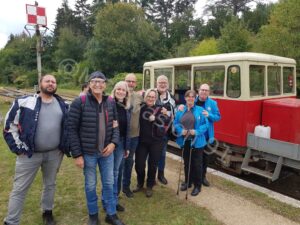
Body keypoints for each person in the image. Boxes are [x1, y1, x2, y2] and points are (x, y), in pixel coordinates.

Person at [3, 74, 69, 225]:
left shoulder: (63, 104)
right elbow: (9, 126)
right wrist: (18, 148)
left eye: (53, 81)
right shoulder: (24, 102)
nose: (51, 83)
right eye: (47, 81)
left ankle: (47, 212)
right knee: (20, 188)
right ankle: (11, 221)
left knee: (50, 184)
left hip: (54, 153)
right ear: (40, 84)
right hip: (28, 154)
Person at [68, 71, 125, 225]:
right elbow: (71, 129)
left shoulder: (110, 102)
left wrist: (113, 143)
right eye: (94, 81)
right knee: (90, 185)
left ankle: (111, 214)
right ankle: (93, 215)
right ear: (89, 84)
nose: (98, 84)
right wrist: (77, 155)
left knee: (109, 183)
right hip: (88, 154)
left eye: (101, 81)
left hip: (107, 153)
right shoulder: (80, 102)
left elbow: (116, 126)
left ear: (105, 85)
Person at [134, 89, 170, 198]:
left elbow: (167, 123)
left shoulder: (160, 109)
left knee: (153, 165)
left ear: (156, 98)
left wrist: (164, 115)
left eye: (153, 97)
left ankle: (149, 185)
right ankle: (140, 183)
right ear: (145, 97)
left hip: (156, 142)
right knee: (139, 164)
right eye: (149, 96)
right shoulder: (140, 108)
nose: (151, 98)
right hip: (142, 142)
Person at [173, 90, 208, 196]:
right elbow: (176, 123)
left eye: (193, 97)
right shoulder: (180, 110)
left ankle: (197, 186)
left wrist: (196, 131)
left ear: (195, 98)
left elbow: (205, 125)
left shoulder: (200, 110)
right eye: (188, 96)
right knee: (187, 162)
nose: (190, 98)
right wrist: (180, 131)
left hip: (197, 142)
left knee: (197, 164)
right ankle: (188, 182)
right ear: (185, 98)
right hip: (185, 141)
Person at [110, 81, 131, 212]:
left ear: (126, 93)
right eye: (118, 89)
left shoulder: (126, 107)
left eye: (123, 90)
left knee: (116, 172)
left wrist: (127, 147)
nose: (121, 92)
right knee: (110, 174)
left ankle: (114, 199)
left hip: (121, 143)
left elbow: (127, 129)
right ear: (114, 90)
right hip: (110, 142)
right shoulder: (108, 104)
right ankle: (109, 199)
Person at [122, 73, 143, 198]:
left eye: (133, 82)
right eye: (128, 81)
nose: (130, 83)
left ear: (135, 84)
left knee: (129, 162)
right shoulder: (118, 94)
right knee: (118, 164)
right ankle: (115, 188)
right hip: (120, 136)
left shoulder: (139, 97)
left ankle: (126, 187)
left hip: (134, 136)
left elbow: (152, 101)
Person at [195, 84, 221, 187]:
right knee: (194, 159)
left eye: (206, 90)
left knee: (205, 159)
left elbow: (218, 117)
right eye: (202, 90)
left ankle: (203, 177)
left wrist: (209, 115)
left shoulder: (213, 103)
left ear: (208, 92)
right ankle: (192, 178)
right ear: (198, 90)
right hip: (195, 136)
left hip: (206, 137)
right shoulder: (193, 101)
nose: (204, 92)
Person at [155, 75, 176, 185]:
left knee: (162, 154)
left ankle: (161, 175)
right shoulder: (151, 95)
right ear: (156, 84)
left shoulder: (171, 98)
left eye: (164, 83)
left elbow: (174, 115)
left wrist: (166, 112)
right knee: (151, 155)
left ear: (167, 84)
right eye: (160, 82)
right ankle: (151, 175)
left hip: (164, 132)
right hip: (151, 132)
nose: (162, 85)